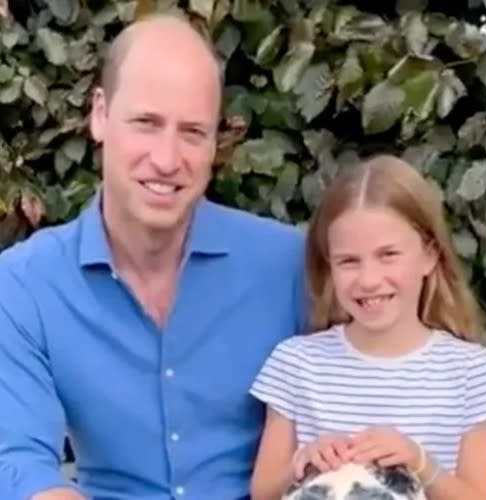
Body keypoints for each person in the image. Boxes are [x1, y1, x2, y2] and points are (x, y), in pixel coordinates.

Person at [0, 13, 307, 500]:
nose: (166, 159)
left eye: (192, 132)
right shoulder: (24, 285)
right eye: (146, 123)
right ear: (100, 114)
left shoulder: (288, 265)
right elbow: (15, 458)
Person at [249, 154, 486, 500]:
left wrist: (420, 463)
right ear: (329, 268)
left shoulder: (474, 373)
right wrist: (302, 463)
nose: (369, 280)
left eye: (388, 255)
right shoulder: (296, 363)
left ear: (430, 256)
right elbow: (262, 492)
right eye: (349, 261)